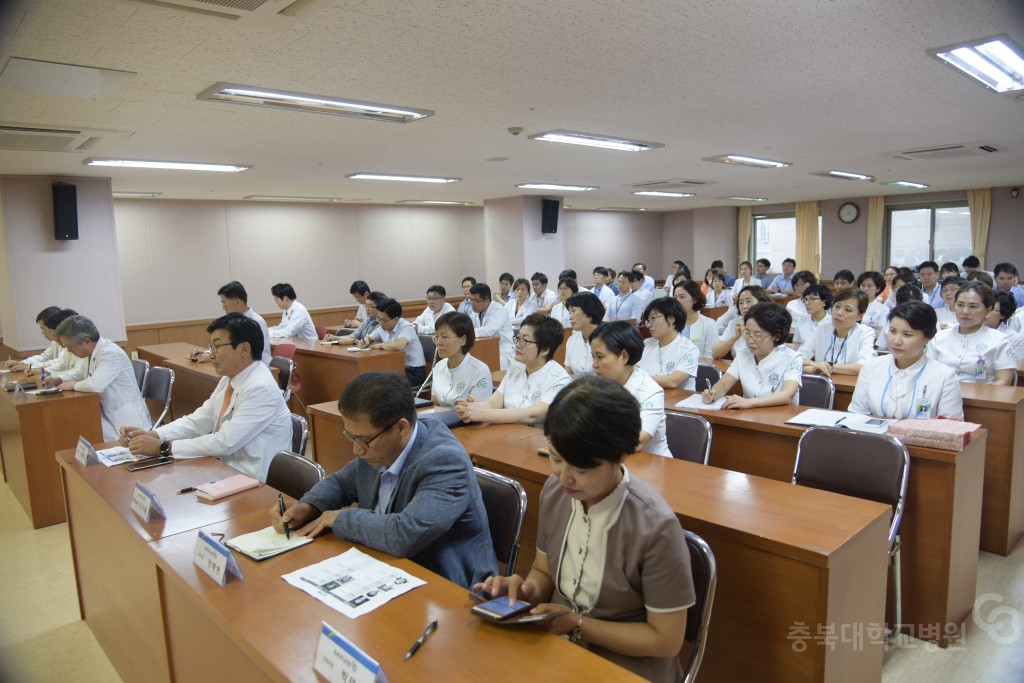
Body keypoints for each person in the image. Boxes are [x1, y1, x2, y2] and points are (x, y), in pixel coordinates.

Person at [474, 375, 694, 683]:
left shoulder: (655, 528)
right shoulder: (555, 492)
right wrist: (524, 592)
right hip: (560, 649)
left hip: (627, 666)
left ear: (620, 456)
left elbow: (665, 640)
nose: (565, 478)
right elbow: (545, 572)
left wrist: (577, 623)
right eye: (556, 459)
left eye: (582, 469)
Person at [272, 371, 498, 589]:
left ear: (401, 427)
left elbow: (405, 534)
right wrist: (308, 506)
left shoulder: (445, 461)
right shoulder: (377, 444)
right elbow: (342, 483)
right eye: (351, 436)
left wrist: (342, 518)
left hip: (447, 587)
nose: (356, 449)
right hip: (388, 568)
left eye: (363, 440)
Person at [122, 313, 292, 481]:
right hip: (226, 468)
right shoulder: (230, 378)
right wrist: (156, 435)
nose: (211, 355)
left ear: (244, 349)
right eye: (210, 347)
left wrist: (164, 448)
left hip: (255, 481)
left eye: (217, 347)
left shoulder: (260, 388)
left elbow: (224, 443)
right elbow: (200, 419)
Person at [849, 302, 963, 420]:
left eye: (907, 335)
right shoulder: (871, 366)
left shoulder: (944, 376)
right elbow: (857, 414)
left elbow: (950, 428)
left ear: (928, 337)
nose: (897, 341)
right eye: (893, 331)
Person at [455, 314, 568, 427]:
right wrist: (472, 408)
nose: (518, 345)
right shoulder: (515, 369)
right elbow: (494, 403)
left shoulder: (560, 380)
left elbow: (531, 415)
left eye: (525, 340)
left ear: (545, 349)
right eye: (518, 338)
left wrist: (483, 413)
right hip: (509, 434)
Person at [55, 315, 152, 441]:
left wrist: (72, 385)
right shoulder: (91, 352)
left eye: (69, 347)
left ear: (87, 341)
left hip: (128, 420)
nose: (69, 351)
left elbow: (95, 385)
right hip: (108, 415)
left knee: (89, 436)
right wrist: (60, 379)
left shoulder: (110, 353)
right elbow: (81, 373)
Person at [590, 322, 671, 456]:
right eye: (593, 357)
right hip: (607, 460)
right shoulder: (597, 385)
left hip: (651, 466)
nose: (594, 365)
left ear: (624, 356)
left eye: (600, 357)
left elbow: (636, 441)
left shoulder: (650, 391)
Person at [703, 303, 802, 408]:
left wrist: (749, 402)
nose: (750, 340)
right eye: (748, 333)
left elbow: (786, 396)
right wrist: (713, 393)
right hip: (748, 416)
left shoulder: (792, 358)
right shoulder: (742, 354)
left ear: (777, 336)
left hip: (780, 417)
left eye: (758, 335)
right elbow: (724, 384)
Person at [927, 282, 1016, 385]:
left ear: (988, 310)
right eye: (960, 305)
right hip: (942, 396)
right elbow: (928, 373)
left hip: (983, 398)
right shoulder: (940, 337)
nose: (965, 311)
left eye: (973, 306)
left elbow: (1003, 381)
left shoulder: (999, 340)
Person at [800, 289, 876, 377]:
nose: (839, 313)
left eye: (848, 310)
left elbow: (864, 366)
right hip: (820, 385)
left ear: (860, 316)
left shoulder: (865, 333)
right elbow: (797, 359)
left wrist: (828, 367)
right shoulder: (822, 329)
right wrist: (813, 368)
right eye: (837, 306)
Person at [193, 281, 272, 364]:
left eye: (224, 303)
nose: (223, 308)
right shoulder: (233, 322)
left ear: (238, 302)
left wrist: (214, 357)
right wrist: (208, 353)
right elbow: (232, 348)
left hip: (258, 365)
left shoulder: (256, 321)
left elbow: (251, 354)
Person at [429, 312, 493, 407]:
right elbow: (435, 406)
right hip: (441, 420)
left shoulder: (480, 371)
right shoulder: (438, 367)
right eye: (436, 337)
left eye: (444, 337)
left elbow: (479, 414)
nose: (438, 342)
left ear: (463, 340)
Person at [360, 298, 427, 388]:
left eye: (384, 320)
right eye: (379, 319)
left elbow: (399, 345)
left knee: (380, 383)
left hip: (413, 371)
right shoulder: (383, 327)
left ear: (396, 319)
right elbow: (368, 337)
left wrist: (379, 345)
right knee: (369, 377)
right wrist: (366, 340)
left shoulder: (406, 327)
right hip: (395, 367)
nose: (381, 323)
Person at [639, 297, 699, 390]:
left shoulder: (689, 349)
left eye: (653, 318)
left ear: (671, 319)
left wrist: (638, 379)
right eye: (648, 320)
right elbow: (632, 369)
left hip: (676, 401)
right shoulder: (646, 344)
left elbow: (672, 381)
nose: (649, 325)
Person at [712, 285, 772, 360]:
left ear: (762, 302)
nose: (744, 306)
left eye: (748, 301)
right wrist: (735, 337)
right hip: (737, 369)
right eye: (741, 303)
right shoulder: (734, 324)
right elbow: (715, 354)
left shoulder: (770, 324)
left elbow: (760, 355)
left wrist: (744, 332)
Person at [35, 309, 90, 387]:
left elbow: (80, 374)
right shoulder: (68, 344)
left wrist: (49, 375)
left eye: (58, 337)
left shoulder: (81, 346)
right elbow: (62, 364)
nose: (58, 341)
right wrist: (44, 372)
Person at [469, 283, 515, 369]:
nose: (472, 304)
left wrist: (468, 332)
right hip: (485, 350)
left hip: (503, 352)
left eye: (475, 301)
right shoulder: (474, 314)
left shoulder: (498, 310)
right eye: (471, 300)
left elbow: (489, 331)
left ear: (487, 300)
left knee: (482, 367)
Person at [6, 306, 61, 372]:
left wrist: (30, 366)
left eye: (44, 329)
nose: (42, 333)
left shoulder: (68, 343)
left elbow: (60, 363)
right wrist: (23, 363)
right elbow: (44, 357)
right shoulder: (55, 341)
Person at [564, 291, 605, 377]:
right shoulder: (572, 340)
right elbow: (569, 372)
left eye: (573, 311)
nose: (570, 317)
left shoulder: (608, 339)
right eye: (569, 313)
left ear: (589, 311)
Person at [674, 280, 717, 359]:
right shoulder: (671, 323)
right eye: (675, 297)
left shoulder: (709, 324)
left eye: (682, 297)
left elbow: (709, 358)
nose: (677, 301)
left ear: (694, 299)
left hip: (700, 369)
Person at [985, 292, 1024, 368]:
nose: (986, 312)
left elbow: (1016, 370)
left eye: (992, 309)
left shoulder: (1013, 339)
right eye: (985, 307)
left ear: (1003, 314)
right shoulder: (969, 330)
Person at [786, 271, 818, 342]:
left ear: (812, 284)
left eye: (802, 284)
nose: (800, 288)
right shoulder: (791, 304)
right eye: (797, 285)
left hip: (815, 337)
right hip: (792, 337)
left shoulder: (819, 303)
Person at [857, 271, 889, 337]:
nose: (865, 289)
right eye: (863, 285)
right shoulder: (852, 304)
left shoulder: (883, 309)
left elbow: (880, 333)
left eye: (870, 286)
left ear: (878, 288)